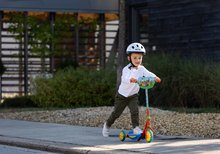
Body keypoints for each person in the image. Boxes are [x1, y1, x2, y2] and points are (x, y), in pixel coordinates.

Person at [102, 42, 161, 137]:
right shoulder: (126, 69)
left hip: (133, 95)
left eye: (139, 58)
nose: (137, 60)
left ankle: (136, 127)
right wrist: (131, 80)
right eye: (135, 58)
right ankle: (107, 125)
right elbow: (125, 78)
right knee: (116, 113)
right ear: (129, 58)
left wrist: (155, 77)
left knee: (135, 111)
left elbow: (148, 73)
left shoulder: (141, 69)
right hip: (122, 96)